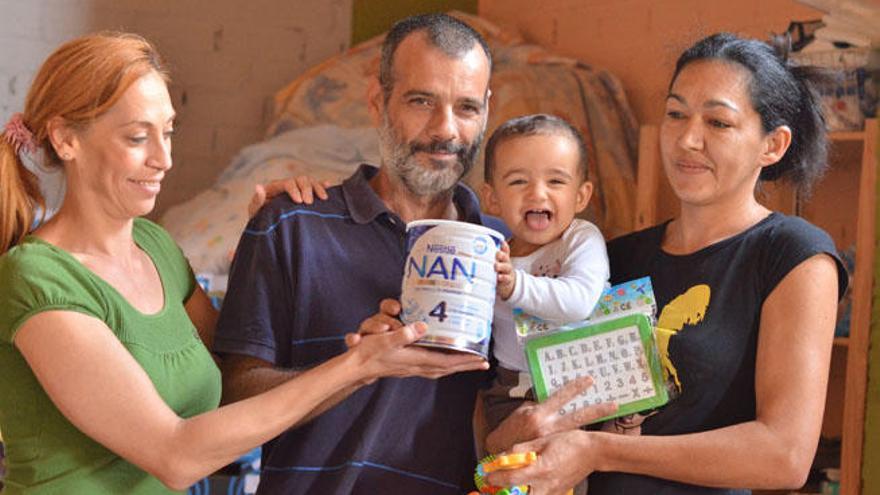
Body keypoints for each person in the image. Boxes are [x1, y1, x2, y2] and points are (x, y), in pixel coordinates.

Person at [0, 32, 486, 495]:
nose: (164, 159)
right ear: (65, 139)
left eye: (168, 132)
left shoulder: (157, 249)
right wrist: (360, 365)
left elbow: (239, 375)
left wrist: (275, 236)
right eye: (136, 137)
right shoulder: (36, 277)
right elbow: (175, 456)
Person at [483, 33, 848, 495]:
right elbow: (505, 439)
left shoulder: (792, 254)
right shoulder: (615, 258)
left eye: (718, 122)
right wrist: (513, 435)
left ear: (772, 145)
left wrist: (600, 450)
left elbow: (784, 456)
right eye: (676, 114)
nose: (688, 139)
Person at [213, 13, 505, 494]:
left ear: (487, 111)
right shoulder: (290, 225)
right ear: (377, 100)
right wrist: (356, 369)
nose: (445, 130)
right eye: (421, 101)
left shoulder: (503, 252)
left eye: (467, 107)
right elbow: (232, 399)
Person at [476, 114, 610, 433]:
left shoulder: (580, 239)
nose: (537, 194)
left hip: (577, 382)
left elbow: (579, 303)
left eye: (556, 181)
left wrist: (515, 286)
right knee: (508, 475)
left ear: (581, 196)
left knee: (564, 473)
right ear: (493, 198)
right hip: (513, 389)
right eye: (518, 181)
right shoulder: (493, 254)